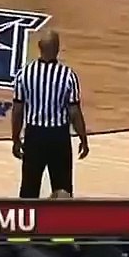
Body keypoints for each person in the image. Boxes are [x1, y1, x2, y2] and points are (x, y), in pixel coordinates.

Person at [11, 31, 89, 198]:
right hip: (58, 137)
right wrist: (83, 138)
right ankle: (61, 222)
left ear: (39, 48)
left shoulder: (24, 74)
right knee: (62, 190)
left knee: (29, 189)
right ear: (58, 49)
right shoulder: (68, 76)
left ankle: (26, 222)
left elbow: (18, 111)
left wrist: (16, 138)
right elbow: (74, 111)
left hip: (34, 136)